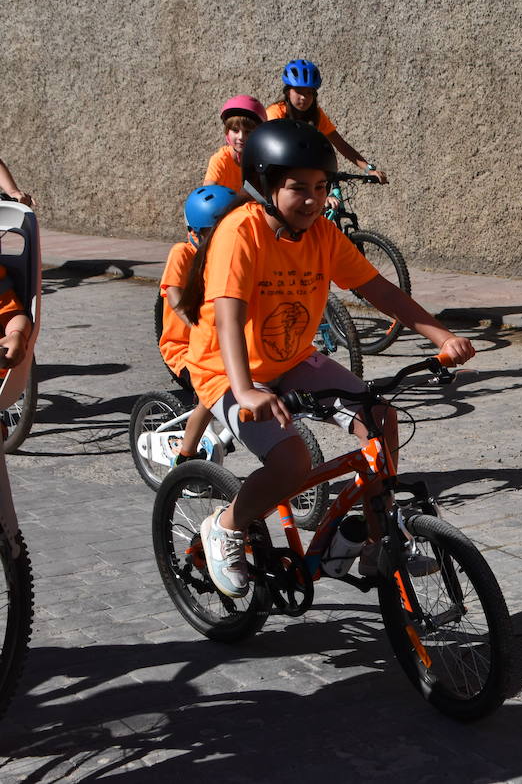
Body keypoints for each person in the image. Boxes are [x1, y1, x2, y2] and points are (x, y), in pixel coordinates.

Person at [180, 119, 472, 598]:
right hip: (227, 369)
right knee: (291, 463)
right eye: (298, 188)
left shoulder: (322, 234)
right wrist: (246, 390)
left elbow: (378, 289)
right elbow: (228, 317)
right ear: (266, 185)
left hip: (292, 358)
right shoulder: (240, 233)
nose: (313, 200)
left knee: (379, 417)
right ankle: (226, 525)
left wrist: (440, 335)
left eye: (321, 187)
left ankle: (378, 543)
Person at [159, 185, 239, 463]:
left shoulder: (228, 257)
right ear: (194, 233)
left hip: (218, 345)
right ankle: (186, 455)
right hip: (184, 349)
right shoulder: (182, 254)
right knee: (214, 390)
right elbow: (173, 294)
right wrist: (196, 322)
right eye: (211, 234)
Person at [266, 59, 388, 184]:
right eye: (298, 91)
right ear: (287, 92)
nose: (304, 97)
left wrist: (368, 169)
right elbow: (272, 151)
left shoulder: (315, 115)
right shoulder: (275, 113)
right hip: (278, 176)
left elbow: (340, 144)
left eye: (309, 92)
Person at [203, 95, 266, 192]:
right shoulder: (220, 160)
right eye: (235, 130)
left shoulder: (263, 158)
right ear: (227, 131)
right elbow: (207, 192)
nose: (241, 137)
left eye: (248, 132)